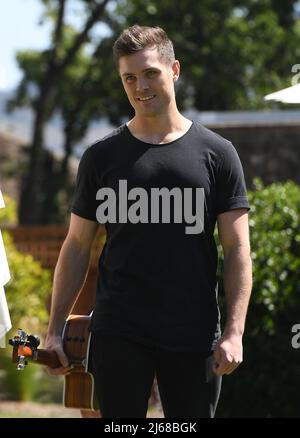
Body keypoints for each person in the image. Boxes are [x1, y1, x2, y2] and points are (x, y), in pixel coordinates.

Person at [45, 24, 252, 418]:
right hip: (118, 330)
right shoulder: (101, 158)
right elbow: (75, 245)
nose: (140, 86)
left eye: (150, 73)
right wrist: (54, 329)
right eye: (129, 77)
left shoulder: (218, 154)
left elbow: (238, 248)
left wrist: (235, 332)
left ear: (174, 70)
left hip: (193, 333)